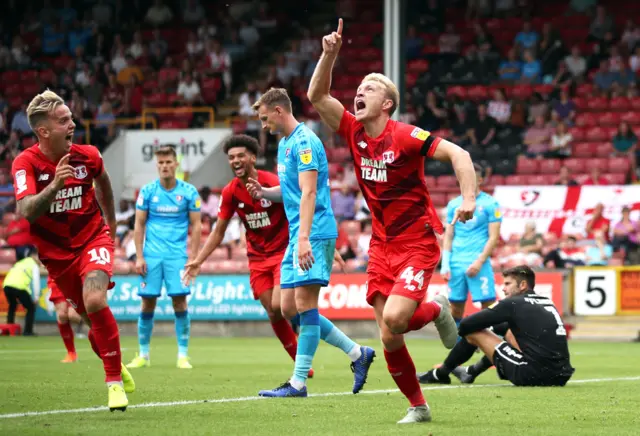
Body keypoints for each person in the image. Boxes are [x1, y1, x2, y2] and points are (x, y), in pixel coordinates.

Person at [306, 19, 475, 424]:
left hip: (416, 241)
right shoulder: (352, 130)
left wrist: (468, 198)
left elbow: (460, 155)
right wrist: (330, 54)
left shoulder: (406, 136)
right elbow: (317, 95)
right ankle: (418, 405)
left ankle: (435, 310)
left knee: (398, 318)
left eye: (370, 88)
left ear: (387, 104)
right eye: (359, 87)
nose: (359, 91)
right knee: (387, 335)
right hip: (381, 246)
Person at [244, 88, 376, 398]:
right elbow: (290, 191)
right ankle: (357, 353)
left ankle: (298, 383)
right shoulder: (285, 144)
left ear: (279, 111)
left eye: (265, 119)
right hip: (299, 234)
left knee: (305, 305)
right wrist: (265, 194)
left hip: (311, 232)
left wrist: (303, 238)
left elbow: (309, 192)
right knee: (287, 306)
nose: (263, 125)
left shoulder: (305, 143)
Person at [10, 90, 134, 412]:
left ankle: (113, 383)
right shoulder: (25, 163)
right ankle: (116, 363)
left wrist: (110, 226)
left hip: (93, 238)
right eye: (64, 120)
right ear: (44, 131)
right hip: (57, 255)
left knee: (95, 300)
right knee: (91, 323)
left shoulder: (88, 154)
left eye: (71, 117)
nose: (72, 124)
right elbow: (26, 211)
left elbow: (104, 183)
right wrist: (54, 185)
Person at [417, 265, 574, 387]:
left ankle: (440, 374)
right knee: (507, 330)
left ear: (523, 285)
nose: (504, 289)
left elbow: (466, 324)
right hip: (561, 375)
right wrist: (494, 331)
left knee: (474, 332)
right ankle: (470, 372)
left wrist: (478, 339)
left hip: (532, 374)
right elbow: (505, 328)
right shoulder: (546, 301)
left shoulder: (513, 303)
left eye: (507, 284)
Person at [127, 145, 201, 370]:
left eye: (168, 162)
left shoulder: (189, 192)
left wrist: (194, 259)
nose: (164, 166)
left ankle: (183, 355)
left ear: (176, 164)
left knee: (179, 300)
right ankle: (144, 355)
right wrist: (139, 256)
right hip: (151, 255)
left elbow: (196, 226)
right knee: (147, 301)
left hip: (177, 256)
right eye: (160, 163)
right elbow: (138, 224)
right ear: (156, 165)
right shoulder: (147, 192)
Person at [437, 164, 501, 326]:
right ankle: (459, 344)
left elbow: (493, 237)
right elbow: (449, 236)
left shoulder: (490, 204)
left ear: (479, 180)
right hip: (456, 263)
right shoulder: (453, 205)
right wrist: (445, 265)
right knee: (456, 308)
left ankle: (489, 344)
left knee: (488, 306)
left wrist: (479, 262)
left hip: (479, 262)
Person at [2, 246, 41, 336]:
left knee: (12, 305)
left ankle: (8, 329)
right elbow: (36, 282)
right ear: (34, 255)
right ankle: (28, 331)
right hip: (19, 286)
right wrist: (36, 297)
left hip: (7, 285)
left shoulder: (20, 262)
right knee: (31, 308)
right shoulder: (33, 265)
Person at [48, 276, 83, 362]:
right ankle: (71, 353)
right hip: (56, 278)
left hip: (72, 278)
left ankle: (94, 323)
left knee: (73, 316)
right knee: (62, 315)